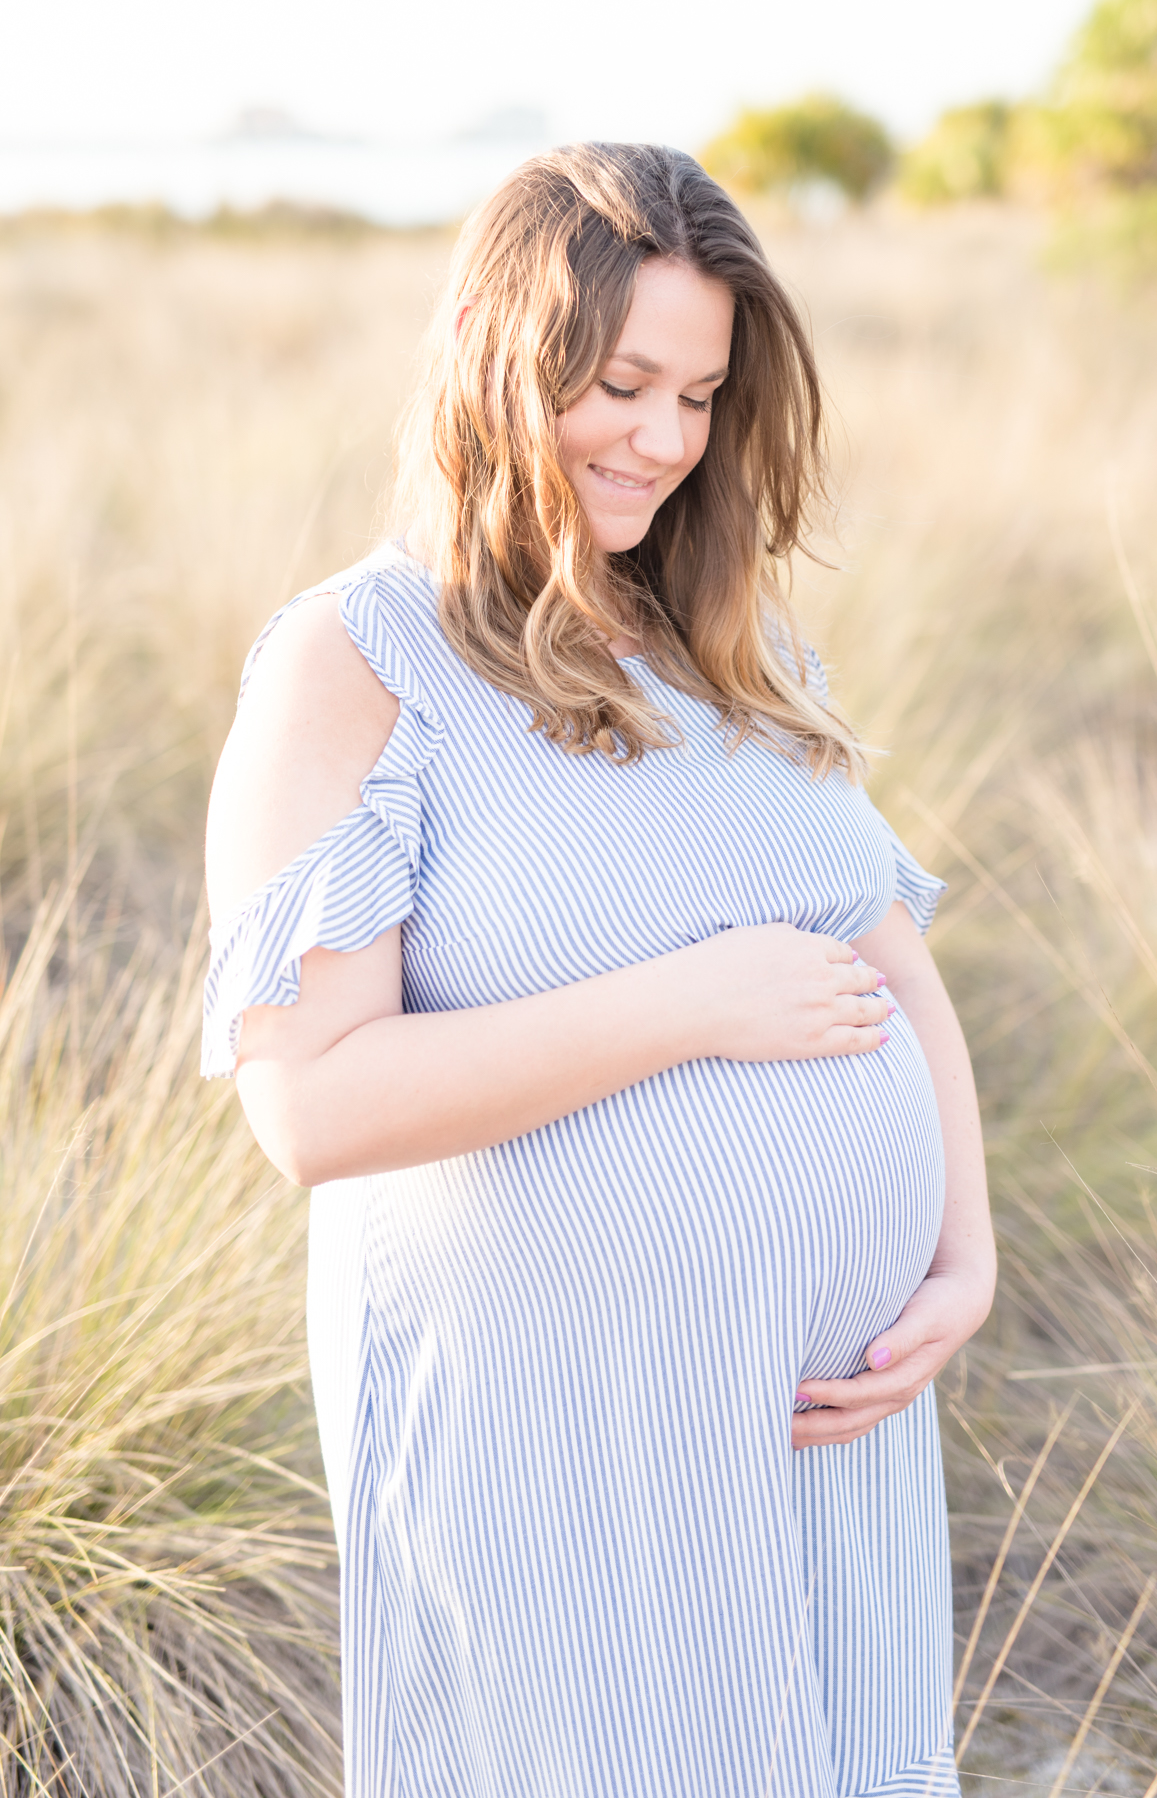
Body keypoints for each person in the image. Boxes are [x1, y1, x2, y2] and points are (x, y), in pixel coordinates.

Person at [202, 143, 995, 1798]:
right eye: (623, 382)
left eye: (700, 396)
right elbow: (312, 1108)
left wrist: (960, 1263)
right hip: (564, 1438)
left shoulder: (738, 643)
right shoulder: (356, 662)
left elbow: (888, 955)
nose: (663, 438)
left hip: (816, 1432)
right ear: (506, 363)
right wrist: (690, 1007)